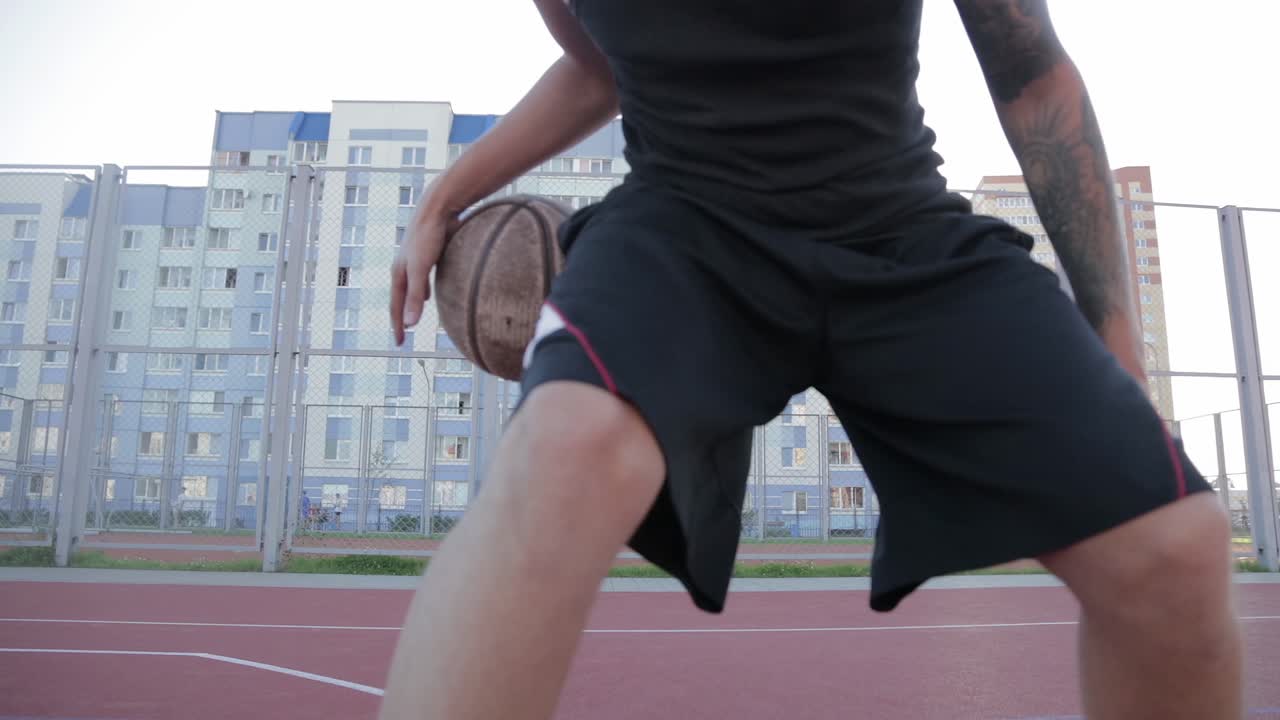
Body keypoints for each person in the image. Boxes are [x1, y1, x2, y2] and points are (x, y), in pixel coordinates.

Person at [383, 1, 1243, 718]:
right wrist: (443, 197)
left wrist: (1120, 353)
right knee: (562, 452)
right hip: (685, 226)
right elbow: (597, 65)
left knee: (1171, 544)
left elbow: (1031, 74)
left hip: (897, 223)